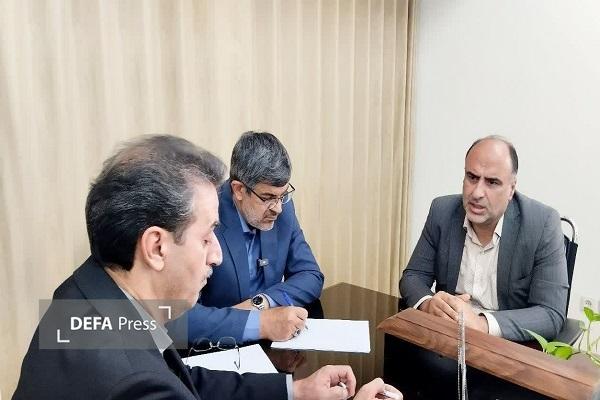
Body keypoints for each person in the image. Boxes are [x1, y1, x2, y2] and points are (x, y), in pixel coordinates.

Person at [13, 135, 400, 400]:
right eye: (206, 237)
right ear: (156, 246)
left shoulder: (80, 296)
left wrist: (294, 390)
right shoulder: (137, 384)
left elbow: (182, 376)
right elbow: (163, 383)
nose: (216, 255)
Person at [400, 135, 569, 341]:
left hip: (503, 344)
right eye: (472, 177)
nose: (477, 192)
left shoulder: (542, 224)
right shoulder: (442, 211)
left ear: (511, 189)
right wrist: (429, 304)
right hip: (448, 338)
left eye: (492, 182)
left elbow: (550, 313)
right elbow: (414, 276)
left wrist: (482, 324)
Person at [179, 131, 324, 343]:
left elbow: (311, 275)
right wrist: (259, 323)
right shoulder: (203, 214)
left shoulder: (282, 207)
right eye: (268, 197)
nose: (278, 208)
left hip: (273, 341)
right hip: (217, 344)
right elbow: (180, 319)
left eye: (283, 195)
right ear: (239, 189)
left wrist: (262, 303)